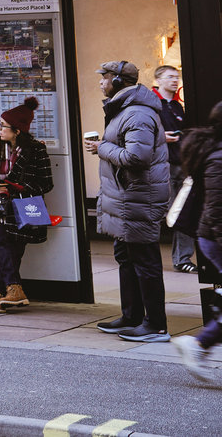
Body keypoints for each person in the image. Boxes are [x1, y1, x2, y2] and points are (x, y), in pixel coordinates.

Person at [88, 60, 172, 343]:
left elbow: (137, 158)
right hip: (127, 198)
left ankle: (156, 326)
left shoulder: (136, 114)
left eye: (105, 77)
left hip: (138, 198)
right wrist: (105, 147)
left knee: (144, 260)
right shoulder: (123, 110)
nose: (101, 82)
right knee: (126, 257)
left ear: (120, 81)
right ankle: (132, 316)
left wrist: (102, 147)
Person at [0, 96, 54, 313]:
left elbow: (46, 183)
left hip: (24, 207)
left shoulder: (36, 149)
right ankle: (14, 288)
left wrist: (16, 187)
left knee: (14, 249)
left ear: (17, 130)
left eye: (3, 126)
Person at [172, 100, 222, 382]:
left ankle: (198, 345)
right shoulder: (218, 158)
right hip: (215, 239)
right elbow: (216, 210)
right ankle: (198, 344)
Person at [152, 65, 194, 272]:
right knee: (161, 212)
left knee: (183, 211)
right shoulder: (151, 106)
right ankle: (144, 256)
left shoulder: (177, 106)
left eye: (177, 77)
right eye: (170, 77)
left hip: (181, 165)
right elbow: (140, 135)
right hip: (161, 167)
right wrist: (162, 138)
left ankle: (182, 259)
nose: (175, 80)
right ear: (158, 80)